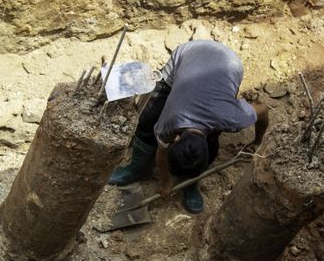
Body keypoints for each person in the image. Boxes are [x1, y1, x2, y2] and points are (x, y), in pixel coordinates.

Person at [108, 40, 269, 213]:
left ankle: (191, 182)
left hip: (229, 64)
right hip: (189, 54)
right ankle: (138, 168)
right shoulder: (169, 121)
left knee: (213, 143)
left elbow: (263, 110)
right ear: (175, 137)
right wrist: (166, 182)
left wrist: (258, 140)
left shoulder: (231, 118)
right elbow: (161, 151)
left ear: (177, 137)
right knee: (148, 120)